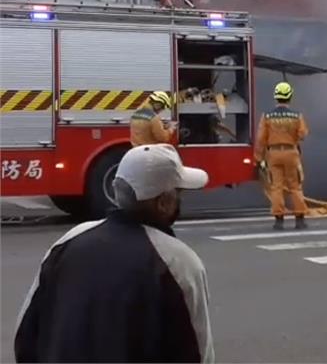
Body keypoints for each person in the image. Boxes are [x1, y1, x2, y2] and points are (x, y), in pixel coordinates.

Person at [14, 144, 213, 363]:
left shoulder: (68, 242)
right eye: (179, 193)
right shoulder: (178, 262)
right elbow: (197, 353)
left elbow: (25, 335)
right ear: (164, 203)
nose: (180, 200)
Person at [255, 81, 310, 230]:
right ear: (290, 97)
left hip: (273, 154)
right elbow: (303, 134)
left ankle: (279, 220)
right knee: (295, 186)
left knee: (276, 187)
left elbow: (260, 139)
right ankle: (300, 220)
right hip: (291, 152)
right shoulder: (296, 115)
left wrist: (258, 159)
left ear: (276, 97)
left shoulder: (267, 116)